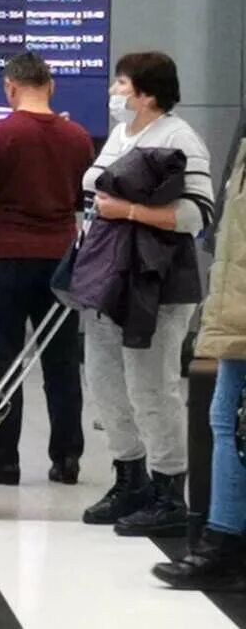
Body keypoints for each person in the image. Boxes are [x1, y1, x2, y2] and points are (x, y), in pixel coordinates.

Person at [79, 51, 211, 537]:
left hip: (158, 281)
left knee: (151, 386)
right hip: (108, 276)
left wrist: (128, 212)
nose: (115, 92)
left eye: (122, 84)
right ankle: (128, 476)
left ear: (147, 94)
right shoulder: (121, 134)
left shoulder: (180, 138)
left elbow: (195, 215)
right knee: (105, 380)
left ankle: (168, 490)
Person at [0, 52, 94, 488]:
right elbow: (82, 199)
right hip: (60, 262)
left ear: (10, 87)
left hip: (6, 259)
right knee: (63, 362)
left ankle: (4, 461)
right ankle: (67, 458)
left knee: (2, 362)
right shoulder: (78, 137)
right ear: (50, 86)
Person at [158, 126, 246, 590]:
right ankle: (222, 540)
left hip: (239, 314)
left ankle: (223, 546)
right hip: (234, 311)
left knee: (227, 421)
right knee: (225, 420)